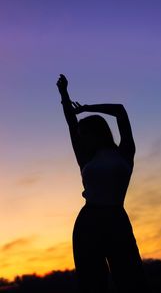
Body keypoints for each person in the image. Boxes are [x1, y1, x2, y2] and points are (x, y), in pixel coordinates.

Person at [56, 74, 150, 293]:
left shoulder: (125, 152)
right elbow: (71, 123)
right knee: (92, 284)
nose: (81, 138)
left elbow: (120, 110)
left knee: (132, 281)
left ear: (97, 132)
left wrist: (87, 108)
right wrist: (64, 94)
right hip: (88, 222)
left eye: (84, 134)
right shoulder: (85, 157)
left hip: (117, 220)